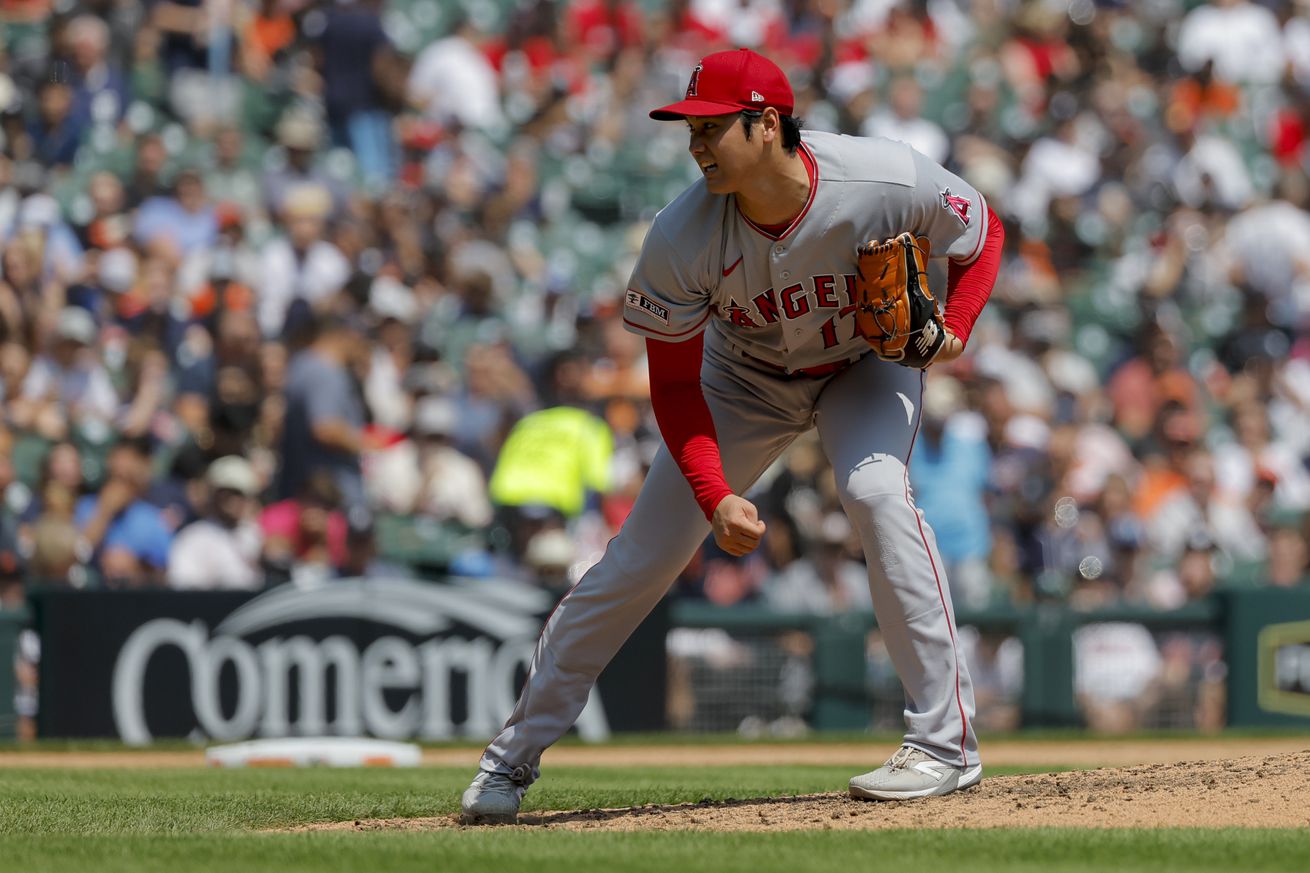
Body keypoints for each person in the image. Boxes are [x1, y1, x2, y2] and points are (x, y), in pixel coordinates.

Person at [461, 48, 1004, 823]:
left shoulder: (883, 178)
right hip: (740, 380)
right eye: (692, 130)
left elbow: (983, 231)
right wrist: (715, 494)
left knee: (875, 489)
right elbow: (677, 388)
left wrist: (954, 328)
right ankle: (509, 758)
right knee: (638, 561)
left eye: (714, 128)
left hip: (861, 365)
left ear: (769, 122)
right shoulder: (681, 235)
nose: (697, 145)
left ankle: (945, 745)